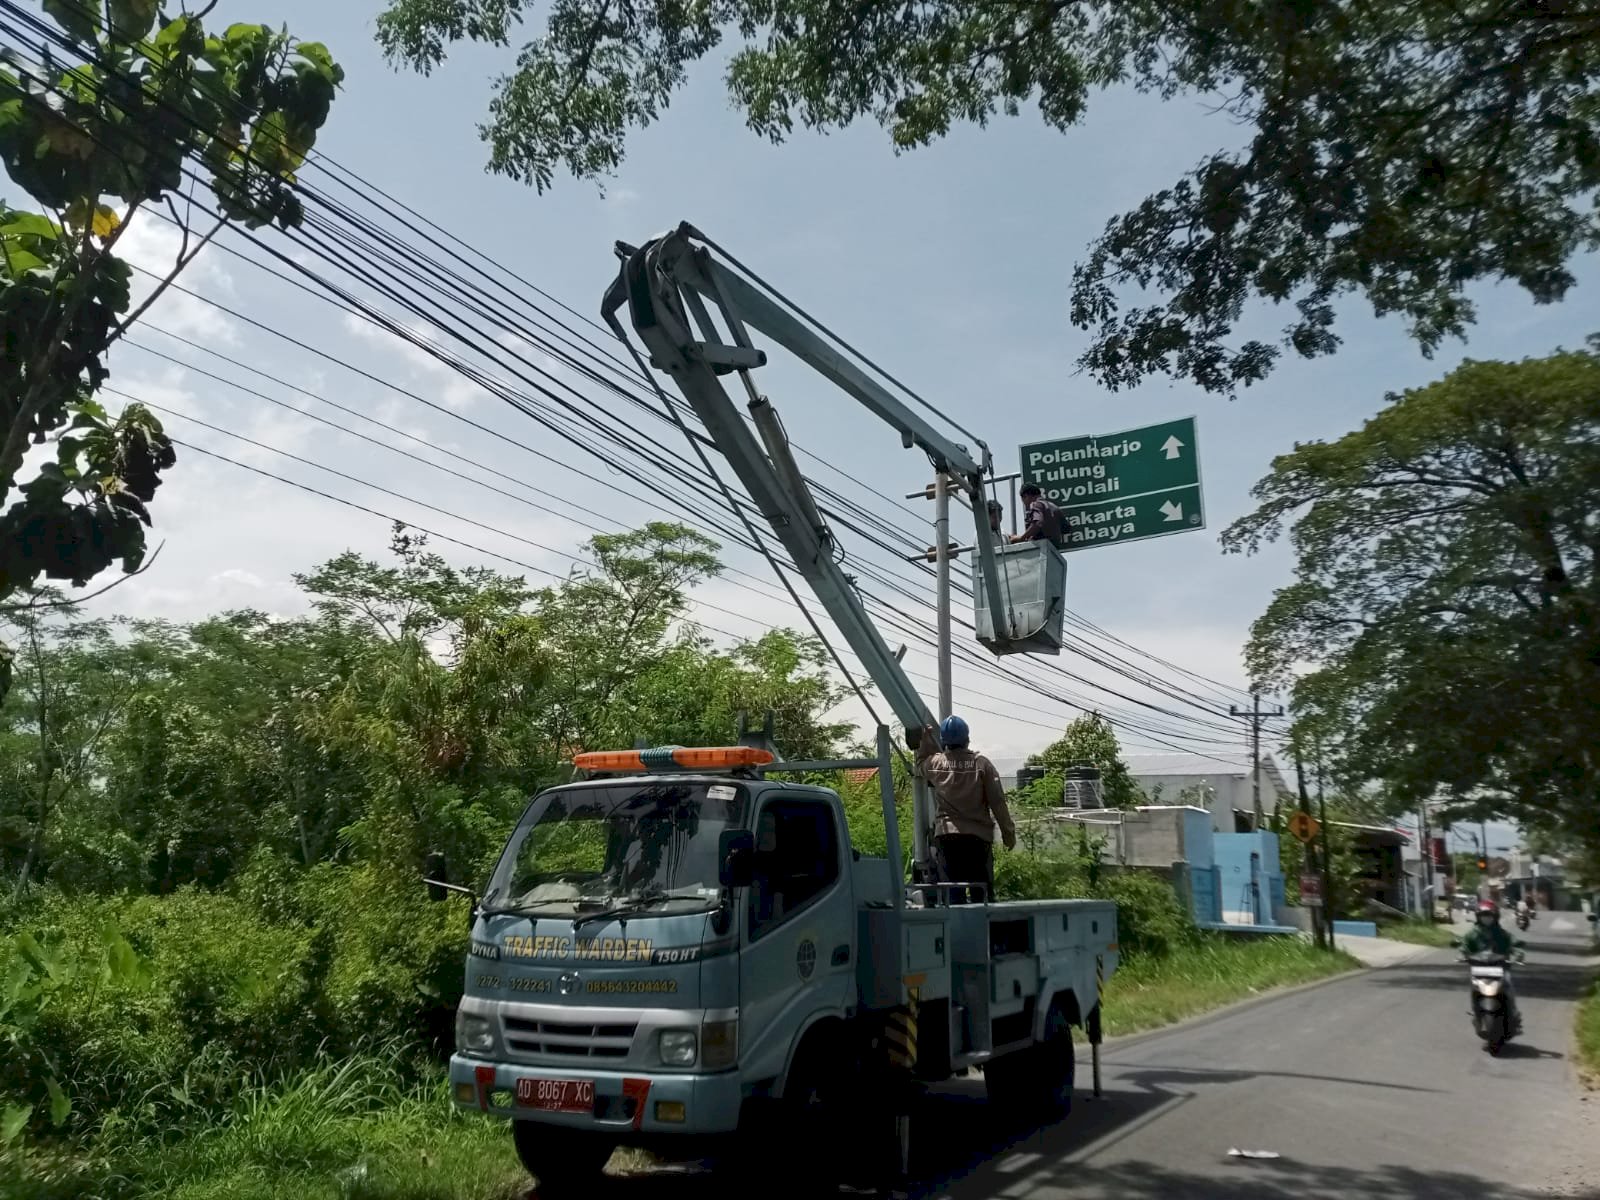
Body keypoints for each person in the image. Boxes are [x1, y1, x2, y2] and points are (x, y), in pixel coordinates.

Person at [915, 715, 1016, 903]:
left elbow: (920, 765)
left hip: (948, 838)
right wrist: (1008, 833)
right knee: (982, 894)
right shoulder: (982, 764)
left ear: (944, 741)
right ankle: (983, 930)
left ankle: (956, 929)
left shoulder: (937, 763)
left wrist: (926, 740)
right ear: (967, 739)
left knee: (952, 895)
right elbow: (998, 802)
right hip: (977, 840)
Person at [1458, 899, 1524, 1032]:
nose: (1486, 918)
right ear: (1478, 917)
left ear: (1495, 917)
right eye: (1483, 915)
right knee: (1473, 987)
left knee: (1509, 984)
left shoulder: (1502, 933)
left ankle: (1513, 1012)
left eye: (1489, 915)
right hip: (1479, 969)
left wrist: (1517, 954)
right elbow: (1464, 945)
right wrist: (1462, 954)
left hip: (1500, 968)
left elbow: (1515, 943)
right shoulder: (1473, 934)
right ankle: (1475, 1012)